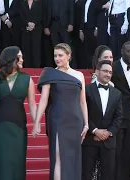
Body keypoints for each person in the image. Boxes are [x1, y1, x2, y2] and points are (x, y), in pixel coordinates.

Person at [32, 43, 89, 180]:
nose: (57, 58)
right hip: (57, 118)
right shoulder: (50, 74)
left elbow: (82, 101)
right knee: (57, 154)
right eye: (55, 56)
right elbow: (44, 99)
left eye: (60, 55)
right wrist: (37, 121)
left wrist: (86, 124)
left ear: (69, 56)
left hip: (75, 120)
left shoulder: (79, 75)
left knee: (72, 157)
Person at [0, 46, 37, 180]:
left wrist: (36, 122)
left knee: (16, 160)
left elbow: (32, 103)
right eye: (19, 57)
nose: (22, 60)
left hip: (18, 124)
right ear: (11, 58)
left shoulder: (27, 78)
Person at [82, 60, 122, 180]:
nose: (108, 74)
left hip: (109, 142)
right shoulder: (86, 89)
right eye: (105, 71)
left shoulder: (117, 93)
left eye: (110, 72)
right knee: (86, 174)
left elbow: (118, 117)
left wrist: (108, 132)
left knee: (108, 175)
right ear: (97, 71)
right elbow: (83, 112)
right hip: (89, 140)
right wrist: (94, 130)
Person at [111, 41, 130, 180]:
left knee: (129, 152)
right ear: (122, 51)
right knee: (116, 152)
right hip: (116, 116)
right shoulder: (113, 67)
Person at [20, 0, 43, 68]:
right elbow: (21, 15)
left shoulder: (39, 3)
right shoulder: (22, 3)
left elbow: (41, 14)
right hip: (26, 29)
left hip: (37, 29)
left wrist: (34, 23)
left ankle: (36, 68)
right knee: (26, 49)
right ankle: (27, 68)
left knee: (36, 49)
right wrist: (28, 23)